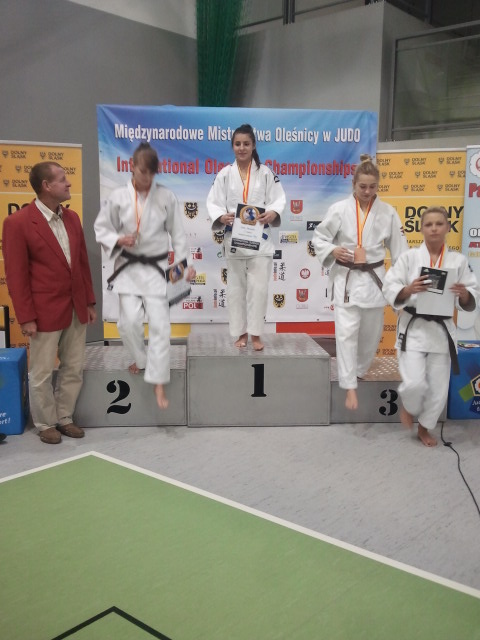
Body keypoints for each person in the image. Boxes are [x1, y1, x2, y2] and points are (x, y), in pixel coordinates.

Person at [94, 142, 195, 410]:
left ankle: (159, 382)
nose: (147, 178)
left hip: (156, 270)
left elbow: (178, 234)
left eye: (151, 173)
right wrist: (118, 239)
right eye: (142, 172)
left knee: (160, 325)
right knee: (128, 323)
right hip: (128, 269)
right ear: (131, 166)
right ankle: (142, 360)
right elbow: (101, 228)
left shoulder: (166, 197)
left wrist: (185, 265)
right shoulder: (118, 197)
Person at [2, 162, 97, 445]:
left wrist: (89, 302)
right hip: (43, 313)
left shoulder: (73, 218)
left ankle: (64, 417)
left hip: (76, 308)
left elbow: (82, 264)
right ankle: (45, 423)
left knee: (73, 367)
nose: (68, 183)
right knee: (41, 372)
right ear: (46, 186)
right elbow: (16, 276)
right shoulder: (17, 223)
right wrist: (26, 317)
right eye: (63, 179)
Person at [313, 154, 408, 410]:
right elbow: (319, 238)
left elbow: (400, 253)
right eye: (362, 186)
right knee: (345, 334)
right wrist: (333, 250)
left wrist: (401, 289)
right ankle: (349, 385)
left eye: (372, 186)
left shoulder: (388, 212)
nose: (367, 191)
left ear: (378, 185)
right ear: (353, 184)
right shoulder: (339, 209)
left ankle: (359, 370)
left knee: (370, 334)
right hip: (346, 279)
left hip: (375, 280)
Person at [383, 206, 479, 447]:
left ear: (448, 227)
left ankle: (424, 428)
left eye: (439, 223)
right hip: (414, 329)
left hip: (441, 330)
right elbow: (390, 285)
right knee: (414, 383)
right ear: (421, 229)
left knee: (438, 389)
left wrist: (464, 294)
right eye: (428, 224)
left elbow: (471, 293)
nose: (434, 228)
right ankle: (409, 406)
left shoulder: (458, 261)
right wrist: (408, 289)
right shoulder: (408, 258)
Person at [206, 123, 286, 351]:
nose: (242, 148)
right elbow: (213, 201)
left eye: (246, 144)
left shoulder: (266, 173)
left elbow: (278, 199)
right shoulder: (224, 174)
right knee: (235, 291)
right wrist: (221, 216)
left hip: (259, 240)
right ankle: (240, 333)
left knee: (258, 290)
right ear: (232, 146)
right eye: (238, 144)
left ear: (253, 146)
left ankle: (256, 334)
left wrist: (273, 212)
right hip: (235, 241)